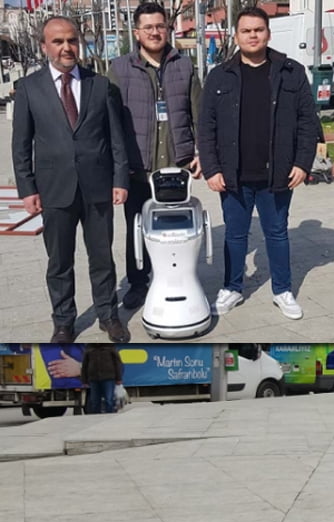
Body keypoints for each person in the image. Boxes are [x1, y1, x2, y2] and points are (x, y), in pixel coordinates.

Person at [12, 16, 131, 343]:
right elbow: (21, 143)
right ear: (44, 46)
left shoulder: (100, 85)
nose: (66, 47)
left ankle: (109, 315)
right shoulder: (29, 88)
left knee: (102, 258)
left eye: (72, 41)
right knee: (59, 262)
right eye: (58, 41)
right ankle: (63, 322)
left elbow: (116, 138)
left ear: (79, 43)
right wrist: (27, 188)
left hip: (98, 188)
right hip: (54, 190)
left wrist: (120, 179)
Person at [199, 6, 317, 321]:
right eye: (246, 30)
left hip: (277, 173)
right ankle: (232, 288)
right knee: (235, 236)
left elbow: (308, 122)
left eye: (258, 30)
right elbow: (206, 126)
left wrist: (303, 164)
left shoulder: (291, 72)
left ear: (268, 33)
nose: (253, 35)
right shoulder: (219, 76)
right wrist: (211, 169)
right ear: (236, 36)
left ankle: (282, 290)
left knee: (277, 233)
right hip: (233, 174)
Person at [108, 2, 202, 310]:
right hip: (137, 167)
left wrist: (202, 153)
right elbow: (110, 122)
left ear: (168, 28)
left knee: (175, 230)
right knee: (136, 228)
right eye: (147, 27)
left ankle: (178, 279)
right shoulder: (120, 69)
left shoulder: (184, 65)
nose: (154, 32)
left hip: (177, 167)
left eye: (160, 26)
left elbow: (198, 113)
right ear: (137, 32)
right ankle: (138, 282)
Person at [80, 343, 124, 414]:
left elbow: (117, 364)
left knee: (109, 400)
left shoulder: (111, 348)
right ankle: (95, 417)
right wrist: (84, 380)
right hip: (93, 379)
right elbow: (85, 365)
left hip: (108, 378)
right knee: (94, 401)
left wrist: (119, 378)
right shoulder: (89, 349)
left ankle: (110, 416)